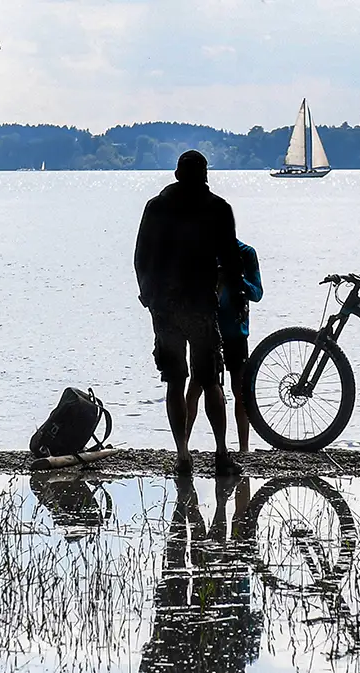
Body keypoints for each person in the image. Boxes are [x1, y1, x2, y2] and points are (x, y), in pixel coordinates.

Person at [134, 150, 245, 476]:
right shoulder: (218, 209)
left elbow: (141, 258)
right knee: (211, 380)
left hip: (166, 307)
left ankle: (183, 454)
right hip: (200, 305)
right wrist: (235, 297)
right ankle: (222, 453)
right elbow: (231, 260)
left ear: (177, 173)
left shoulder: (156, 208)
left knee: (175, 381)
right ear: (205, 174)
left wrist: (148, 296)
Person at [186, 240, 263, 453]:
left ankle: (244, 449)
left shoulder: (246, 253)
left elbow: (257, 293)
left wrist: (236, 280)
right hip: (206, 330)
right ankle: (182, 447)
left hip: (236, 333)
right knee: (195, 388)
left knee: (241, 391)